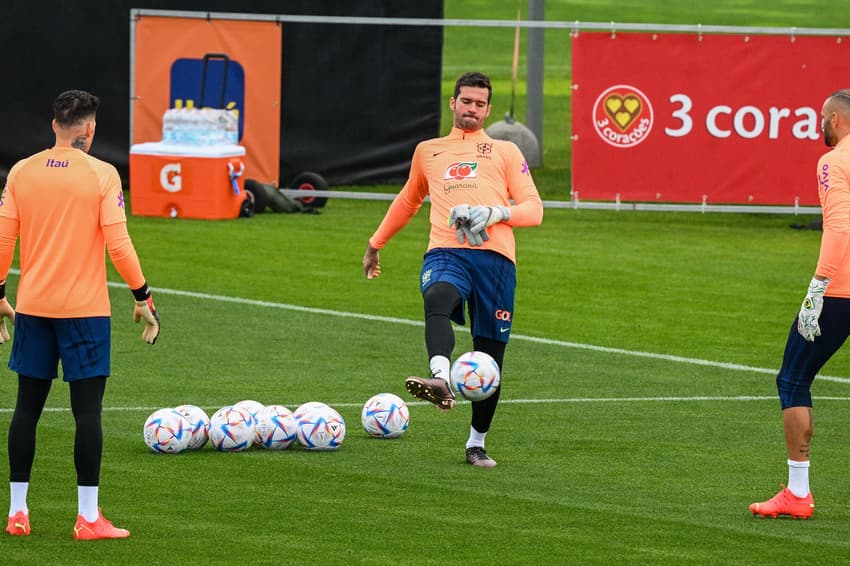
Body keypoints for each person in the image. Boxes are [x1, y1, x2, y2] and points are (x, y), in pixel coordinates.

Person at [0, 90, 160, 539]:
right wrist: (143, 298)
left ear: (55, 125)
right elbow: (119, 245)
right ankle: (88, 518)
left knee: (26, 410)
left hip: (32, 309)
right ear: (89, 130)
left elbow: (2, 241)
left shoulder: (21, 171)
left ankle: (17, 513)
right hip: (85, 313)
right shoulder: (103, 175)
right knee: (86, 413)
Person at [362, 72, 543, 467]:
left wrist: (496, 212)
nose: (472, 110)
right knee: (437, 296)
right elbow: (408, 200)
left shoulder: (506, 152)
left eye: (480, 105)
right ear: (453, 103)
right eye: (466, 102)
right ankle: (440, 378)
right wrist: (376, 243)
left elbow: (535, 209)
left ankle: (476, 443)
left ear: (488, 110)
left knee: (490, 358)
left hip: (496, 259)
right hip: (447, 249)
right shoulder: (429, 150)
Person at [750, 89, 850, 520]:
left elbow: (839, 227)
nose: (818, 126)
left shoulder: (833, 162)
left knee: (793, 379)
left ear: (835, 119)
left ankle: (797, 493)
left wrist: (817, 289)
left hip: (841, 290)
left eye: (821, 118)